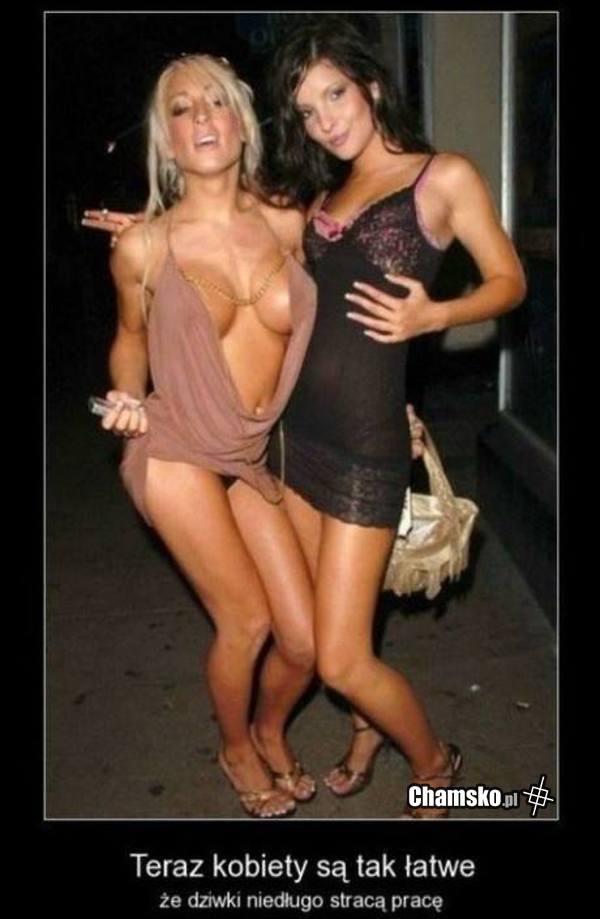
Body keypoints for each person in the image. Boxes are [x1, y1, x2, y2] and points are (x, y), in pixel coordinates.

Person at [259, 16, 526, 817]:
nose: (325, 120)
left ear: (371, 86)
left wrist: (433, 315)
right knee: (333, 624)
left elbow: (509, 280)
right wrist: (157, 229)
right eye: (307, 111)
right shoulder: (323, 196)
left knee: (340, 657)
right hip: (296, 438)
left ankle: (438, 766)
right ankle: (365, 731)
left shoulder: (441, 177)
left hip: (364, 446)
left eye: (335, 94)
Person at [89, 52, 323, 818]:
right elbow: (129, 339)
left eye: (214, 101)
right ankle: (235, 747)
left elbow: (344, 320)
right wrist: (128, 393)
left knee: (304, 642)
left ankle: (268, 725)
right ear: (167, 139)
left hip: (248, 453)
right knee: (247, 619)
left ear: (241, 121)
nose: (201, 118)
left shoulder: (287, 222)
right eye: (181, 109)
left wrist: (394, 405)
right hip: (175, 447)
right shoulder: (144, 248)